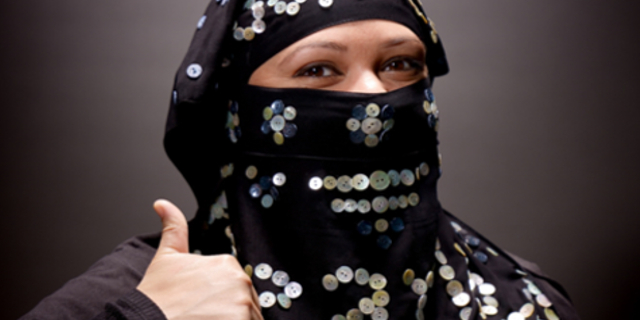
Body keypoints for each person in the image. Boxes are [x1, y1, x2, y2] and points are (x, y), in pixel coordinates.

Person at [21, 0, 581, 319]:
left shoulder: (519, 298)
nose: (372, 99)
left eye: (401, 65)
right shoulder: (138, 295)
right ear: (237, 110)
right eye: (317, 70)